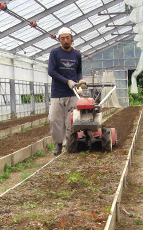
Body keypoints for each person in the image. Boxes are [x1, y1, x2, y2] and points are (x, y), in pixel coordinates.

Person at [48, 27, 82, 155]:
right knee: (55, 120)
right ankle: (58, 144)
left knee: (70, 121)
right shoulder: (55, 53)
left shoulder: (77, 54)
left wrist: (80, 81)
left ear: (71, 38)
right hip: (57, 93)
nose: (65, 40)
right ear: (59, 40)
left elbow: (78, 71)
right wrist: (67, 81)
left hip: (72, 94)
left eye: (68, 38)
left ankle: (70, 144)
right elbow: (51, 71)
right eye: (62, 38)